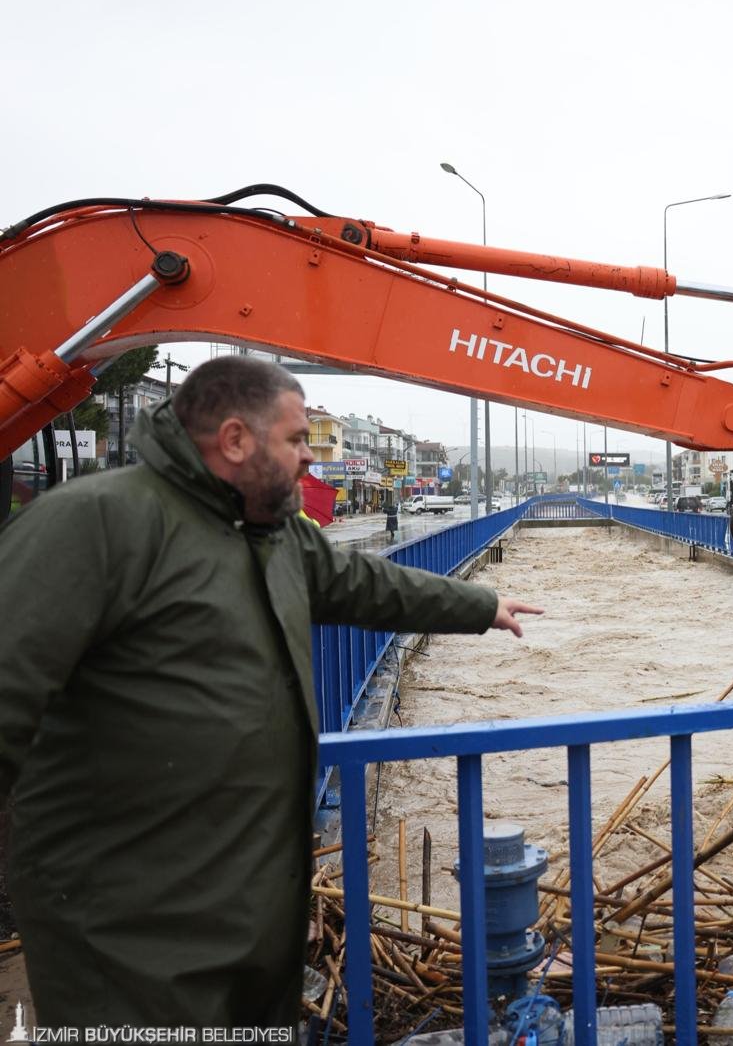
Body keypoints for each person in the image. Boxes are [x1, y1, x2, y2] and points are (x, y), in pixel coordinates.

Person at [0, 356, 543, 1027]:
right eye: (293, 441)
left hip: (243, 910)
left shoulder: (268, 534)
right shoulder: (95, 524)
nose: (307, 463)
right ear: (234, 440)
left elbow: (365, 586)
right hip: (126, 924)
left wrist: (480, 605)